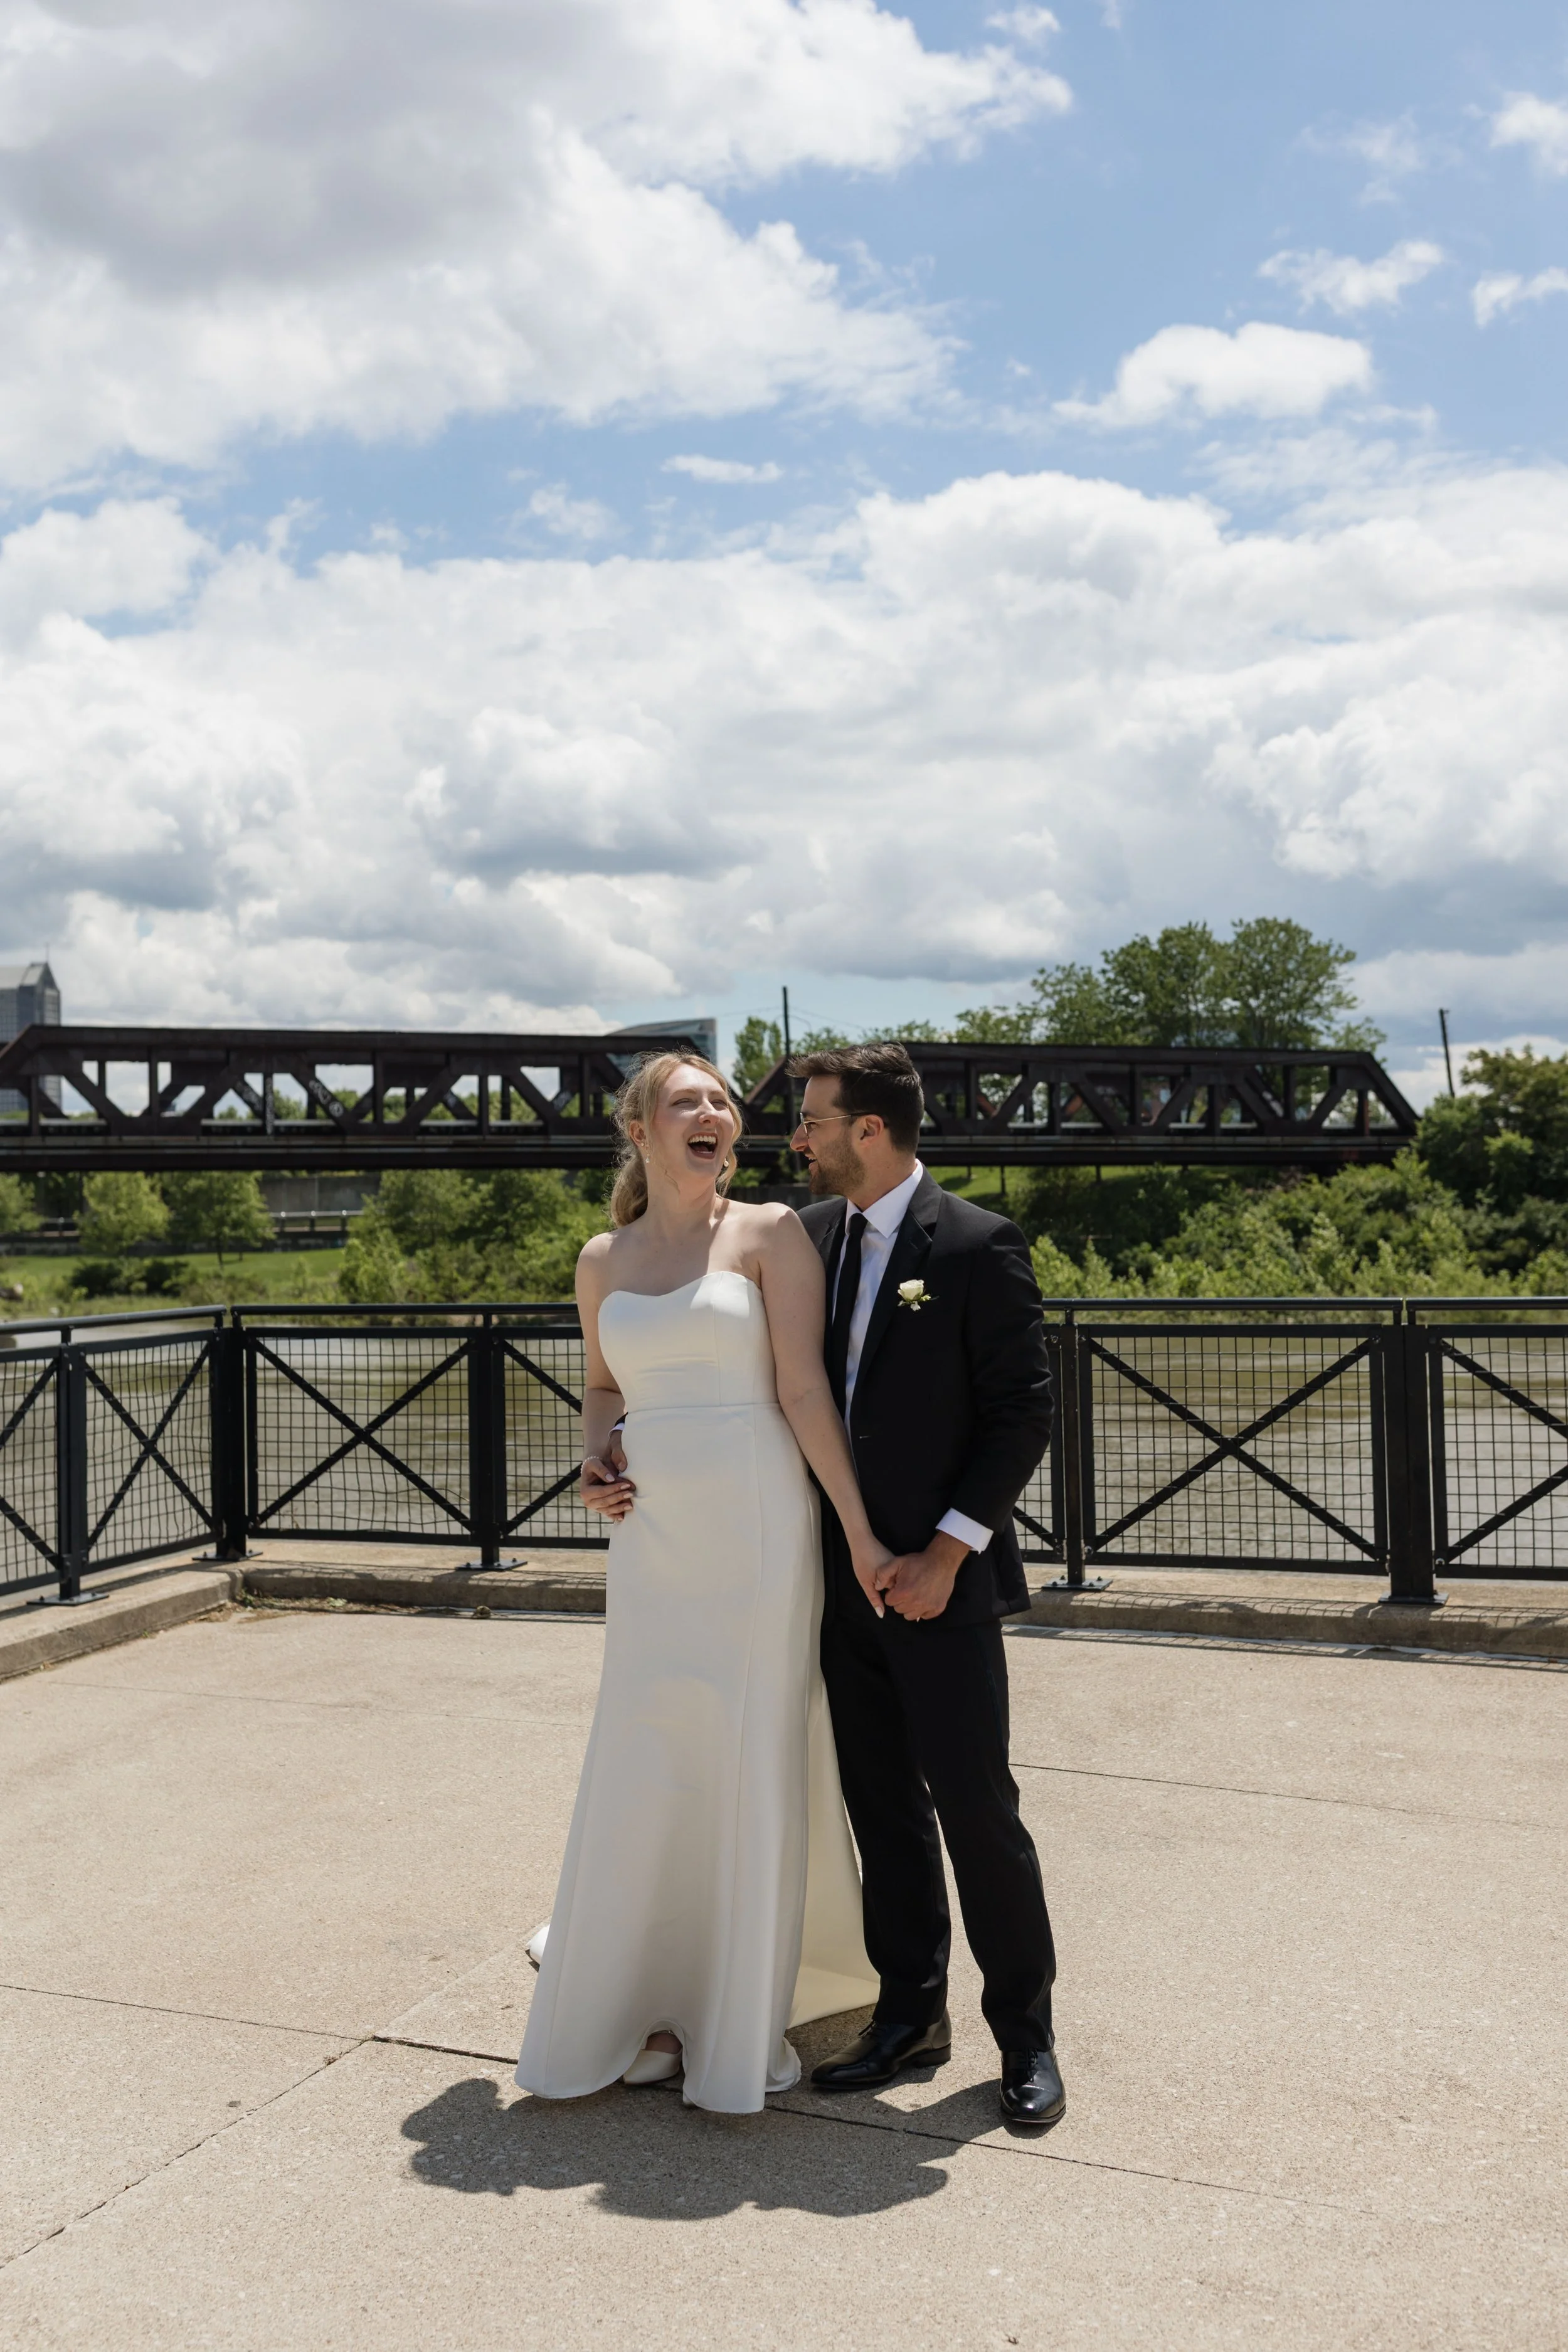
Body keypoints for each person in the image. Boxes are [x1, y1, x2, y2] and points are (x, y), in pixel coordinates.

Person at [515, 1052, 882, 2114]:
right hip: (651, 1535)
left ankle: (729, 2009)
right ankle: (648, 1993)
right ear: (641, 1128)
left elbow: (806, 1389)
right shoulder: (602, 1258)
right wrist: (595, 1458)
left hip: (758, 1525)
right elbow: (599, 1385)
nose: (715, 1112)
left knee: (741, 1746)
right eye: (690, 1100)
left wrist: (856, 1529)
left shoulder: (772, 1233)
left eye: (723, 1100)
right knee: (647, 1746)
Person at [791, 1042, 1064, 2127]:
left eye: (813, 1119)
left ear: (870, 1128)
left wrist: (946, 1554)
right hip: (839, 1579)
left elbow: (1023, 1413)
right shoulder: (808, 1239)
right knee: (880, 1807)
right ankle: (909, 2014)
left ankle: (1028, 2036)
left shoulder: (981, 1244)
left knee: (977, 1808)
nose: (798, 1138)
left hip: (941, 1583)